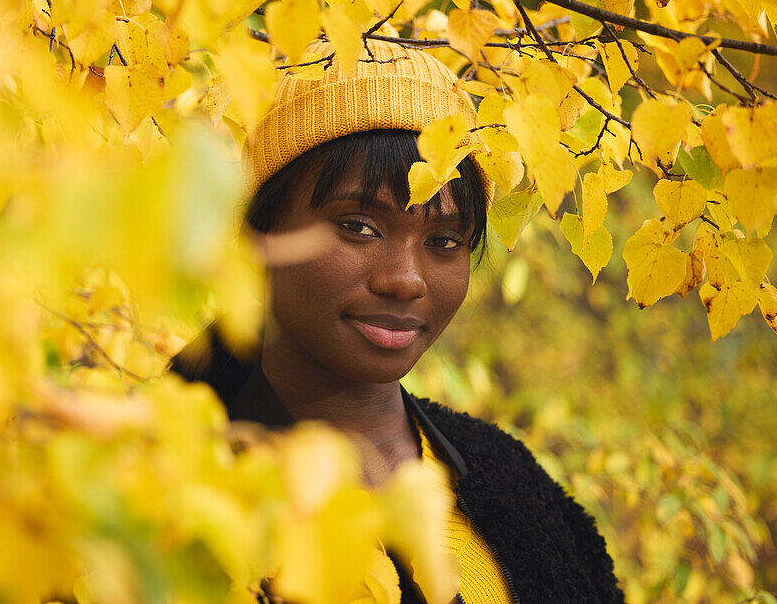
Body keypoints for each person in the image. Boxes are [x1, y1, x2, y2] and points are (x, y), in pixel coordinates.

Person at [173, 39, 624, 603]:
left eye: (443, 240)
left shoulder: (512, 484)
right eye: (360, 226)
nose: (405, 279)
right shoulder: (162, 496)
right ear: (258, 233)